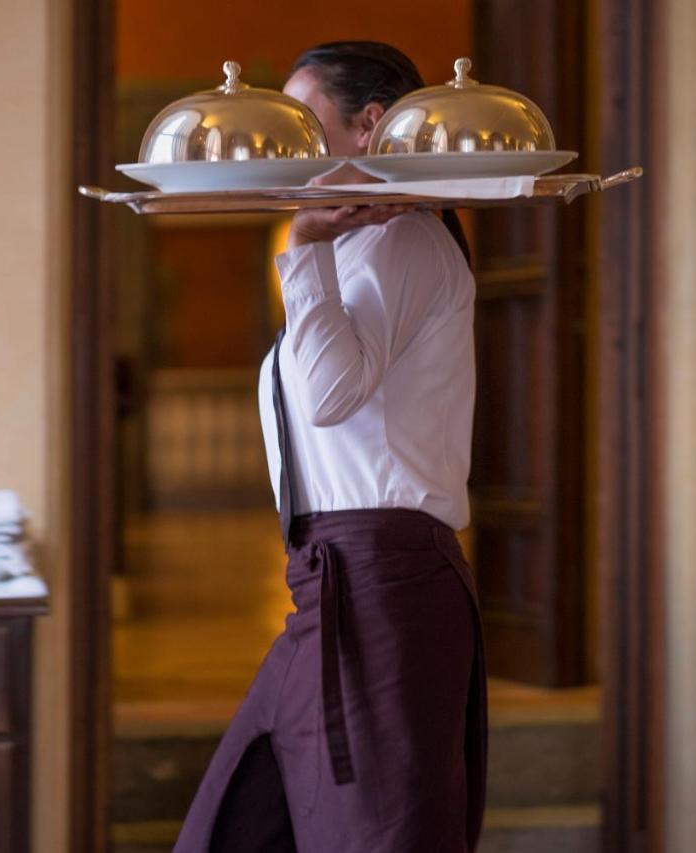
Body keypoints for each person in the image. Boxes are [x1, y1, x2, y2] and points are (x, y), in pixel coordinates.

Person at [173, 41, 486, 853]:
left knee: (377, 836)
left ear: (370, 125)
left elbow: (327, 398)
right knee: (238, 821)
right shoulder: (359, 247)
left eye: (307, 122)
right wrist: (313, 244)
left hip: (388, 586)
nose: (294, 147)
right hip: (333, 584)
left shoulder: (403, 243)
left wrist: (304, 243)